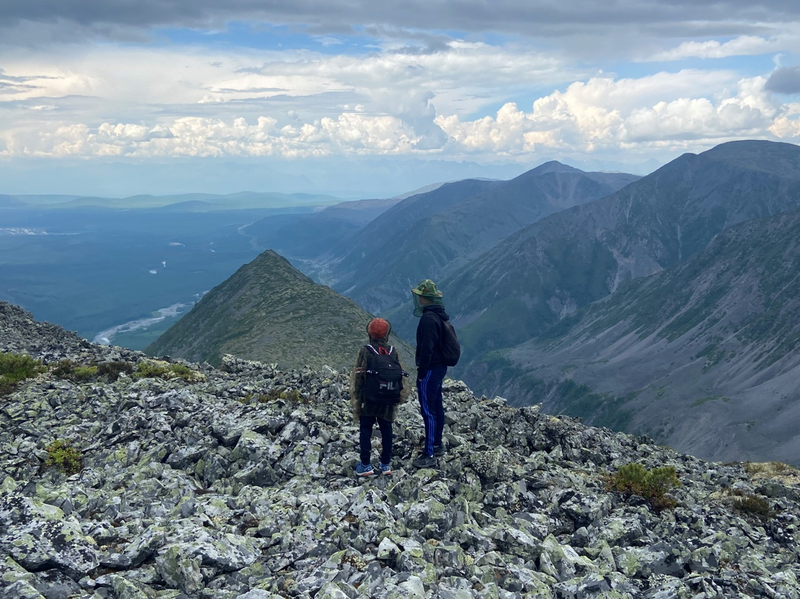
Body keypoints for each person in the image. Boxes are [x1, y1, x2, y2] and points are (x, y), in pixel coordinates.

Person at [350, 318, 410, 476]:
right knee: (386, 429)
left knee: (365, 429)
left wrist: (358, 397)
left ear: (369, 333)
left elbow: (359, 376)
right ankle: (385, 465)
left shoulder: (366, 351)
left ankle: (365, 465)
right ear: (387, 334)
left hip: (369, 398)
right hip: (389, 398)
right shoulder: (392, 351)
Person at [410, 279, 450, 469]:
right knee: (437, 406)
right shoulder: (439, 316)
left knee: (428, 410)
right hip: (440, 367)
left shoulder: (428, 319)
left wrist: (421, 372)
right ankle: (437, 443)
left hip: (431, 368)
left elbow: (426, 349)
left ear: (423, 298)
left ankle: (429, 454)